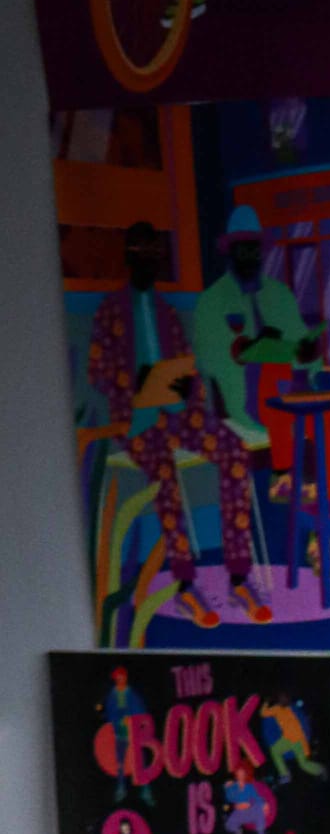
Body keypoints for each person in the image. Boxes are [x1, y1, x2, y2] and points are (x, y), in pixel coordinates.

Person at [87, 217, 267, 630]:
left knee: (233, 452)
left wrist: (188, 388)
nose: (149, 262)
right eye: (141, 254)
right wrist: (132, 383)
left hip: (178, 413)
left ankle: (239, 575)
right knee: (165, 473)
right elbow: (97, 372)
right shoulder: (110, 311)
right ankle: (186, 585)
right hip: (136, 421)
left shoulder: (166, 313)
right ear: (129, 258)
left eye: (155, 254)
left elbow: (188, 366)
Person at [191, 199, 319, 445]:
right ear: (230, 253)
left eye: (255, 250)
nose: (250, 258)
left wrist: (308, 353)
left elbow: (300, 340)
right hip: (244, 398)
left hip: (290, 391)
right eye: (243, 251)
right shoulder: (211, 300)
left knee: (327, 420)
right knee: (289, 425)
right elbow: (206, 360)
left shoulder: (280, 294)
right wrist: (249, 350)